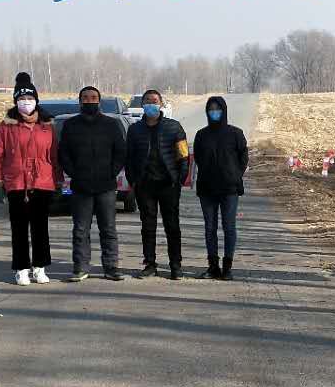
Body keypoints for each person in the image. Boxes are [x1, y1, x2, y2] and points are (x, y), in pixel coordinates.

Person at [0, 73, 59, 285]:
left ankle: (39, 267)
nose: (26, 102)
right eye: (21, 99)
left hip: (42, 182)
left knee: (40, 228)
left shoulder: (47, 126)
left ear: (36, 100)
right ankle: (21, 268)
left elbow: (55, 155)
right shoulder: (6, 126)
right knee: (19, 228)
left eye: (29, 99)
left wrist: (58, 180)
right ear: (15, 101)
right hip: (16, 183)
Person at [58, 86, 126, 281]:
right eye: (86, 98)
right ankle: (80, 267)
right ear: (80, 101)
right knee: (80, 230)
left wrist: (112, 172)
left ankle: (111, 267)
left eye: (93, 97)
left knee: (108, 229)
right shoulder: (71, 125)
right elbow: (64, 153)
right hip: (80, 186)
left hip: (106, 186)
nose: (89, 101)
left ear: (99, 101)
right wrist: (74, 173)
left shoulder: (111, 124)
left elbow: (121, 151)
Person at [123, 88, 189, 279]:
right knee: (148, 227)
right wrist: (133, 180)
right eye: (147, 101)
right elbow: (129, 157)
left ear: (161, 104)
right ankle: (150, 264)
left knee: (172, 226)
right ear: (142, 105)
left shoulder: (174, 127)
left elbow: (183, 155)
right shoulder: (134, 129)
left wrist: (179, 178)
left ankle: (176, 265)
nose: (151, 104)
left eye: (155, 101)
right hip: (145, 185)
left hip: (168, 184)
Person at [192, 95, 248, 280]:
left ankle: (227, 267)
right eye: (211, 109)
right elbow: (198, 158)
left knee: (229, 227)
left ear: (224, 111)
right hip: (207, 188)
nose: (214, 112)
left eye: (217, 109)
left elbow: (243, 156)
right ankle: (213, 267)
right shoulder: (201, 135)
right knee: (210, 228)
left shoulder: (235, 133)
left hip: (229, 189)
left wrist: (235, 174)